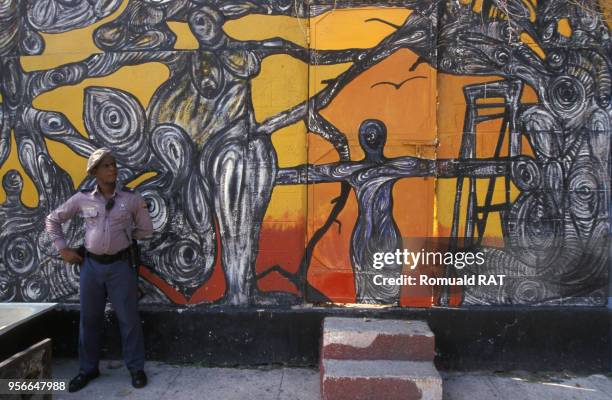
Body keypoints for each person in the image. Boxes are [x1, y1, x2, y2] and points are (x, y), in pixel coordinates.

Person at [45, 148, 153, 392]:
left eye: (114, 164)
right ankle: (88, 369)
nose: (112, 169)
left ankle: (136, 368)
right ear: (94, 171)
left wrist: (124, 237)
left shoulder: (131, 199)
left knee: (129, 319)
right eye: (106, 166)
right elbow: (52, 220)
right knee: (89, 320)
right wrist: (62, 248)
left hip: (121, 267)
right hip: (91, 267)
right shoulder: (82, 199)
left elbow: (146, 230)